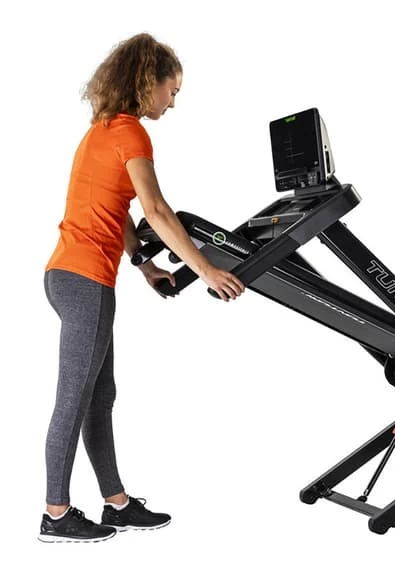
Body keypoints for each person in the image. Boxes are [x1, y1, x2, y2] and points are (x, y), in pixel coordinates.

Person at [39, 32, 245, 543]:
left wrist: (142, 263)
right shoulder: (131, 133)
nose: (173, 103)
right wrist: (206, 271)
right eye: (172, 91)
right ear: (148, 82)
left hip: (71, 275)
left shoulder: (103, 130)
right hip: (85, 280)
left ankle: (116, 503)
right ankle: (55, 515)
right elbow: (157, 209)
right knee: (75, 397)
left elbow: (120, 208)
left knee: (98, 395)